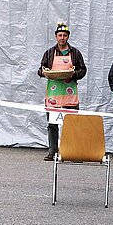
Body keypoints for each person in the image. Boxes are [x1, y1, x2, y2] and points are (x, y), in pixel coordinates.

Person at [37, 22, 87, 161]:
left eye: (65, 35)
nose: (62, 38)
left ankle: (73, 152)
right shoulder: (49, 53)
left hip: (70, 96)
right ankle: (52, 151)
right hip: (53, 96)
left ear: (68, 37)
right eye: (60, 35)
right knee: (52, 125)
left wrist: (73, 74)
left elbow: (83, 70)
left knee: (72, 125)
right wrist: (45, 72)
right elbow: (40, 70)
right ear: (56, 36)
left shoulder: (75, 53)